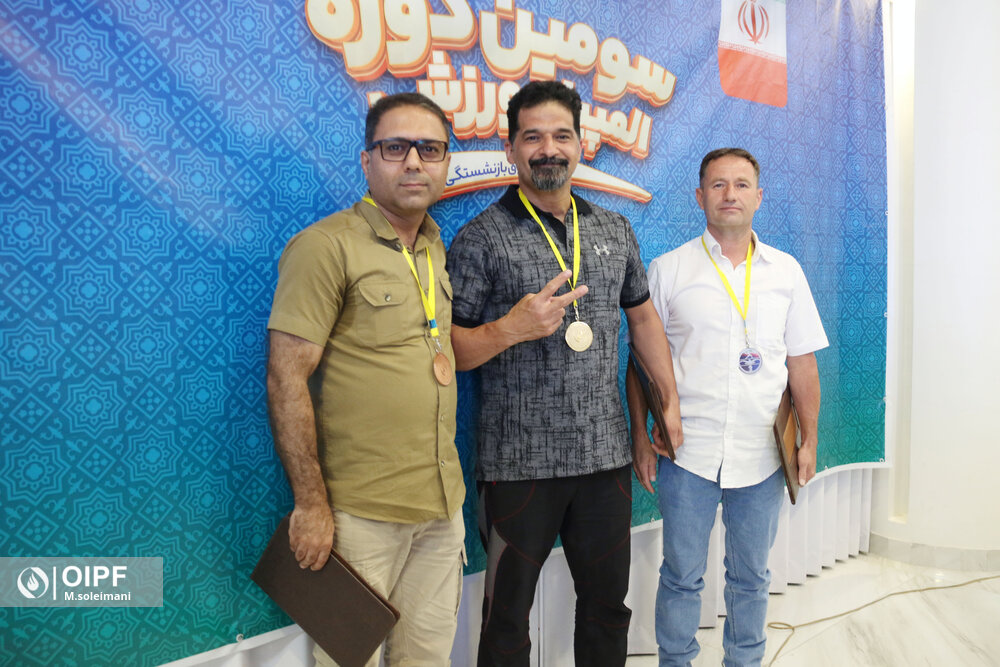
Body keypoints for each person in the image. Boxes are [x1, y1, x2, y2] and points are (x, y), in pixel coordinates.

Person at [446, 80, 683, 667]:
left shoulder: (614, 229)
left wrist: (669, 402)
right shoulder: (479, 238)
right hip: (515, 465)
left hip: (604, 459)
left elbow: (643, 319)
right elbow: (449, 353)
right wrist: (511, 328)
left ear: (581, 144)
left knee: (608, 610)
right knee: (505, 621)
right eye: (532, 137)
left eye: (561, 135)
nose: (548, 149)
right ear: (511, 147)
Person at [266, 93, 465, 667]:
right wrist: (311, 504)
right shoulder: (325, 246)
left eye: (430, 149)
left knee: (426, 659)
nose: (414, 162)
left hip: (441, 506)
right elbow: (285, 378)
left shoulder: (434, 247)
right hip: (358, 517)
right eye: (395, 147)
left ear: (445, 162)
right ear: (367, 160)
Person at [627, 148, 828, 666]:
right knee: (681, 576)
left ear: (759, 196)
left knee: (751, 578)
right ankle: (676, 661)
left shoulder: (786, 272)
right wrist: (640, 438)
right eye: (718, 185)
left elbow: (802, 362)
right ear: (700, 196)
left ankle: (744, 660)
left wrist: (809, 440)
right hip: (686, 453)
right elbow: (641, 361)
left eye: (741, 184)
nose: (730, 194)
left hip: (761, 455)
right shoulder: (668, 269)